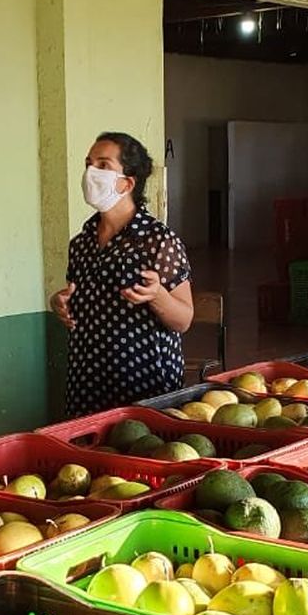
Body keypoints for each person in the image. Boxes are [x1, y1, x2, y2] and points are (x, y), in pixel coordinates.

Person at [52, 133, 193, 416]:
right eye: (88, 163)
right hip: (87, 379)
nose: (91, 172)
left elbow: (184, 319)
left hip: (143, 382)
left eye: (103, 165)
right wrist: (60, 303)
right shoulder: (82, 242)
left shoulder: (157, 240)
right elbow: (79, 298)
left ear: (127, 183)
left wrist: (158, 296)